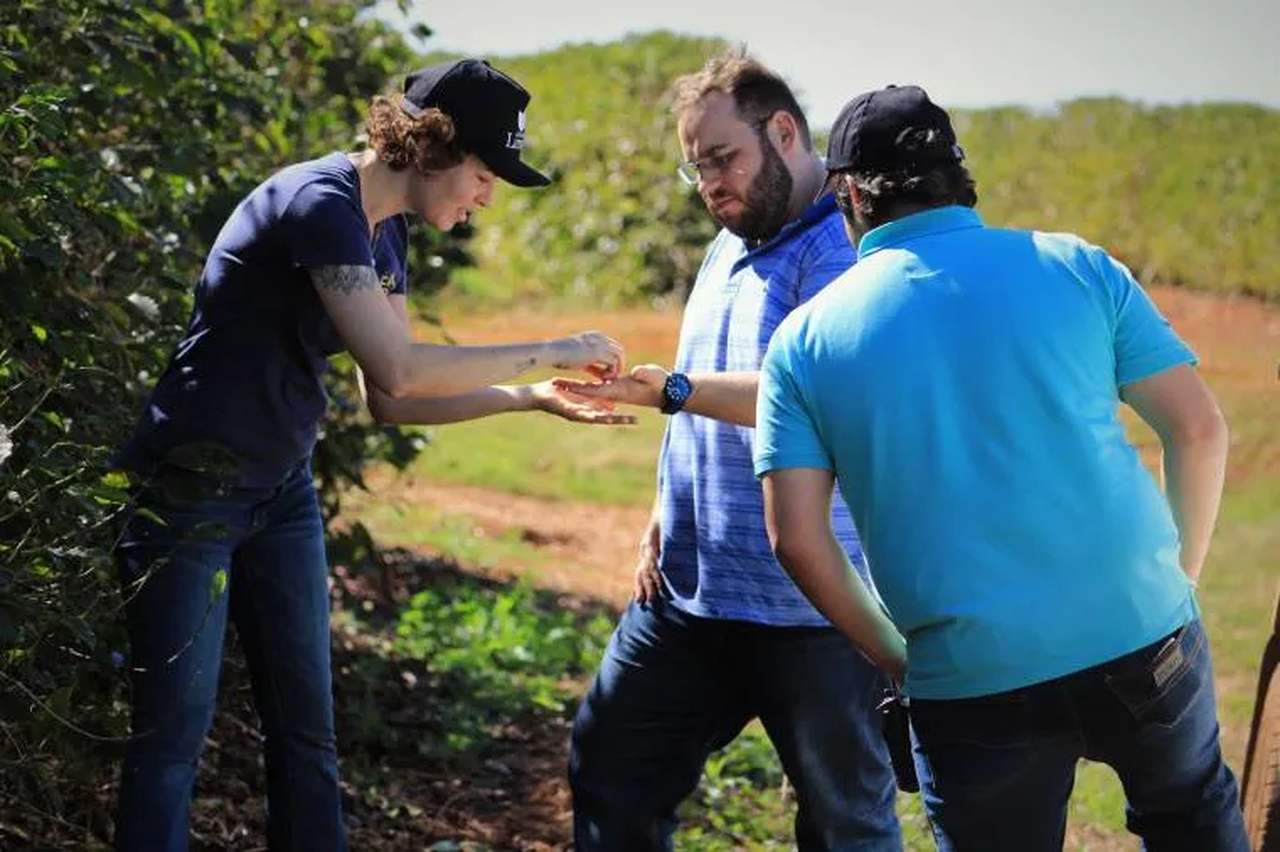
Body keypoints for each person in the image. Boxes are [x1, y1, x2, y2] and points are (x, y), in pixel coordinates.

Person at [111, 58, 630, 852]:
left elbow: (388, 401)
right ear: (431, 144)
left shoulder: (384, 233)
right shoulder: (321, 204)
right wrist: (552, 348)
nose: (487, 197)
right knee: (171, 744)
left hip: (279, 493)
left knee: (307, 734)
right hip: (191, 493)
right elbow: (400, 368)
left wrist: (530, 398)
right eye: (485, 174)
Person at [754, 84, 1248, 851]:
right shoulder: (1076, 264)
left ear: (847, 192)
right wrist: (1174, 580)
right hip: (1143, 630)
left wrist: (896, 654)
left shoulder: (803, 342)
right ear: (958, 174)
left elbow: (795, 537)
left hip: (968, 673)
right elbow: (1200, 428)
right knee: (1191, 816)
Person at [556, 52, 900, 850]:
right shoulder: (729, 237)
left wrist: (673, 389)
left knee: (843, 824)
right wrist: (657, 512)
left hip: (817, 609)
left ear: (783, 131)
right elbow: (704, 386)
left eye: (722, 157)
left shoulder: (846, 251)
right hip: (690, 596)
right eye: (696, 167)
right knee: (610, 770)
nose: (709, 182)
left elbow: (813, 395)